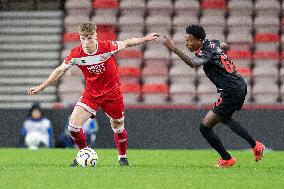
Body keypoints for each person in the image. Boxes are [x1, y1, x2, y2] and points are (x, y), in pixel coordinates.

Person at [27, 22, 159, 166]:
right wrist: (42, 86)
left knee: (118, 126)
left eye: (89, 38)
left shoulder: (107, 47)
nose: (86, 42)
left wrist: (145, 38)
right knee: (73, 127)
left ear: (95, 36)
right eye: (82, 38)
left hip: (112, 94)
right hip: (91, 94)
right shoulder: (76, 54)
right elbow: (60, 70)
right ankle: (85, 153)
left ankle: (122, 157)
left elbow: (127, 43)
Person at [163, 25, 265, 168]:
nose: (186, 43)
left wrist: (174, 49)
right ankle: (253, 146)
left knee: (205, 127)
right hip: (237, 85)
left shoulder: (207, 50)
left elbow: (193, 63)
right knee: (225, 119)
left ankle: (229, 158)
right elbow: (224, 45)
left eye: (189, 40)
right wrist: (220, 50)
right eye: (185, 41)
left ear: (199, 40)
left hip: (231, 90)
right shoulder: (211, 43)